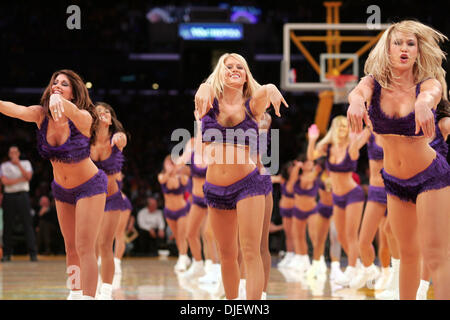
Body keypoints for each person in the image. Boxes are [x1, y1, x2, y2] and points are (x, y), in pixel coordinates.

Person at [347, 20, 450, 299]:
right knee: (406, 254)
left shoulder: (426, 84)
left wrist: (422, 104)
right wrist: (355, 102)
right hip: (393, 181)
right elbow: (357, 93)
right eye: (398, 43)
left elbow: (431, 95)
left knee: (436, 254)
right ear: (388, 48)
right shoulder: (372, 83)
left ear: (418, 51)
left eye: (410, 44)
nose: (404, 48)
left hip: (431, 176)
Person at [0, 69, 107, 299]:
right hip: (61, 190)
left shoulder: (84, 117)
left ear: (74, 93)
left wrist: (60, 101)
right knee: (70, 248)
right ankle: (75, 293)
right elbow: (13, 109)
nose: (57, 86)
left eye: (64, 84)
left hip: (90, 186)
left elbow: (73, 111)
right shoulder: (41, 115)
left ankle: (89, 297)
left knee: (84, 247)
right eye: (54, 82)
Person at [195, 52, 288, 300]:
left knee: (250, 251)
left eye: (240, 67)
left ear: (247, 76)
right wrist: (205, 85)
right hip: (215, 189)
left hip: (248, 185)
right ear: (219, 73)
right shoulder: (207, 101)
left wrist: (270, 87)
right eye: (229, 67)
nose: (235, 70)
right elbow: (201, 93)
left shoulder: (252, 105)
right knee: (226, 255)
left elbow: (264, 92)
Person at [307, 116, 367, 286]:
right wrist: (312, 140)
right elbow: (311, 155)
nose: (343, 128)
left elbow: (359, 146)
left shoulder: (351, 146)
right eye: (340, 126)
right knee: (340, 236)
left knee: (350, 235)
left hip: (353, 194)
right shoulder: (328, 147)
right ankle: (361, 267)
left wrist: (361, 133)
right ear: (334, 127)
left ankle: (352, 269)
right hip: (337, 197)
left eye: (346, 126)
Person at [91, 101, 128, 300]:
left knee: (106, 244)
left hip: (112, 199)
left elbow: (121, 138)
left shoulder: (117, 138)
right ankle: (87, 288)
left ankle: (106, 291)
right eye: (98, 112)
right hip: (88, 199)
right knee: (88, 246)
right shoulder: (84, 141)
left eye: (107, 112)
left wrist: (119, 137)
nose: (103, 114)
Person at [0, 146, 37, 262]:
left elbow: (28, 177)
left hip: (23, 195)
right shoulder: (4, 166)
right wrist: (21, 180)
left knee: (28, 224)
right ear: (9, 154)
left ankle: (33, 254)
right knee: (8, 225)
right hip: (9, 196)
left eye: (15, 151)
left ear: (19, 153)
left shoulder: (26, 163)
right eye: (11, 152)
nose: (14, 154)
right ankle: (7, 254)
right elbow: (5, 182)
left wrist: (18, 165)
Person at [158, 155, 191, 272]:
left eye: (172, 163)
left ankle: (182, 259)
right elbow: (162, 179)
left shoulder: (181, 177)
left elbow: (186, 179)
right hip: (169, 211)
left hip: (182, 210)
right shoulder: (162, 176)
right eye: (168, 163)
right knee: (177, 236)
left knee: (182, 236)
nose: (171, 166)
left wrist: (179, 168)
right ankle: (184, 256)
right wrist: (169, 171)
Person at [113, 172, 133, 276]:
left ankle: (117, 262)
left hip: (121, 201)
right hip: (106, 201)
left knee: (119, 233)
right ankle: (100, 258)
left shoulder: (114, 166)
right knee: (102, 232)